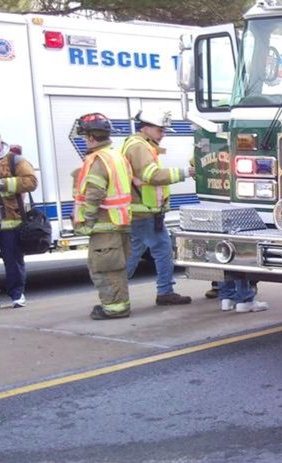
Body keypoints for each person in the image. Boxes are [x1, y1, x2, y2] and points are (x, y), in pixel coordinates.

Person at [122, 110, 194, 306]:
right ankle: (163, 291)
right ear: (146, 127)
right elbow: (152, 176)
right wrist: (185, 172)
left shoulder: (140, 145)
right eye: (160, 130)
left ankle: (117, 290)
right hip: (144, 212)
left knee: (138, 251)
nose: (163, 134)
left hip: (146, 212)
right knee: (160, 251)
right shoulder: (139, 147)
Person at [71, 113, 134, 320]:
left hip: (104, 224)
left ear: (90, 137)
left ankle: (114, 308)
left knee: (105, 269)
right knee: (116, 268)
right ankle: (116, 305)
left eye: (84, 136)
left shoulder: (98, 160)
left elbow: (95, 192)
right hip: (118, 222)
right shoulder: (116, 156)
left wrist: (87, 219)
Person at [0, 128, 38, 311]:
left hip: (10, 219)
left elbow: (31, 181)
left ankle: (17, 295)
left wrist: (5, 184)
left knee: (14, 260)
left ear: (0, 141)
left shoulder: (13, 159)